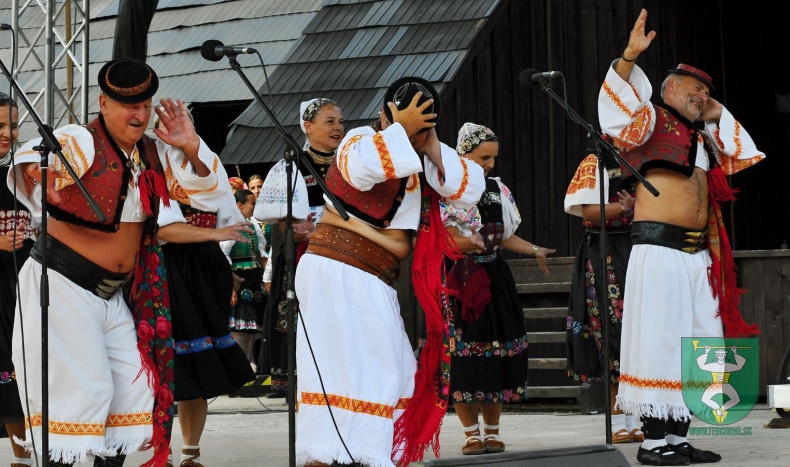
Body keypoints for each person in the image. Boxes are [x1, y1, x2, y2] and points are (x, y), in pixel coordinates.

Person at [7, 57, 212, 467]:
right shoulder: (82, 141)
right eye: (128, 106)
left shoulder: (153, 153)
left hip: (111, 294)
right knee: (82, 393)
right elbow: (32, 156)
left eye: (145, 106)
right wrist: (42, 177)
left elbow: (205, 194)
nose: (139, 115)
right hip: (62, 283)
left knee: (131, 388)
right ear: (103, 104)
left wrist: (190, 148)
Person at [598, 9, 765, 466]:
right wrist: (629, 57)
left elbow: (743, 153)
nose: (702, 97)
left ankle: (678, 438)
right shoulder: (649, 120)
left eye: (707, 92)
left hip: (696, 256)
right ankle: (653, 443)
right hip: (659, 249)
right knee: (661, 342)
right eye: (696, 90)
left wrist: (716, 111)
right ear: (671, 88)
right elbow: (614, 114)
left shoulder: (703, 136)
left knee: (698, 344)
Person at [292, 78, 485, 467]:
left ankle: (363, 456)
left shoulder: (420, 159)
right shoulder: (361, 140)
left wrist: (429, 144)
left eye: (423, 125)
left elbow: (469, 188)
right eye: (409, 125)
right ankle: (338, 457)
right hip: (336, 271)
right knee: (353, 377)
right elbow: (364, 170)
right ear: (386, 117)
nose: (415, 134)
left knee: (393, 374)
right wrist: (400, 130)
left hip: (371, 278)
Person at [441, 122, 553, 456]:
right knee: (465, 354)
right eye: (483, 157)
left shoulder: (495, 189)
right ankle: (470, 434)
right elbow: (437, 236)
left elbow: (505, 236)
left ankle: (492, 432)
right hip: (458, 278)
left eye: (492, 157)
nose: (489, 164)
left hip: (494, 275)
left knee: (498, 351)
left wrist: (534, 250)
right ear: (463, 154)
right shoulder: (446, 190)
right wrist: (465, 242)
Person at [152, 105, 256, 467]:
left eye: (185, 121)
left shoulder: (206, 160)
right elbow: (163, 229)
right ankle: (159, 453)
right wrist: (214, 235)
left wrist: (226, 269)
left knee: (199, 364)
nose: (177, 127)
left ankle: (191, 454)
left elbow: (219, 205)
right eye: (167, 121)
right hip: (169, 267)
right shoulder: (149, 164)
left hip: (207, 265)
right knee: (169, 367)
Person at [253, 98, 344, 399]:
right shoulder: (290, 167)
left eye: (340, 122)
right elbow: (282, 222)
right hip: (303, 255)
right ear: (308, 126)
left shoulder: (350, 164)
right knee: (299, 321)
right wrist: (303, 228)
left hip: (345, 256)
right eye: (329, 121)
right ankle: (300, 383)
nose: (338, 128)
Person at [563, 148, 642, 443]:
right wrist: (625, 209)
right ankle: (618, 417)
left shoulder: (643, 157)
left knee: (635, 332)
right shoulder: (596, 161)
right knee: (612, 330)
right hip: (604, 250)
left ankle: (633, 415)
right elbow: (589, 211)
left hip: (636, 247)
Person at [0, 93, 34, 467]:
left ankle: (22, 459)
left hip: (23, 274)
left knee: (21, 363)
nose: (8, 133)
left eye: (12, 125)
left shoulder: (24, 168)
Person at [221, 188, 268, 373]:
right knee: (239, 326)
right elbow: (224, 253)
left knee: (250, 327)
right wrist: (231, 287)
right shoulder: (231, 224)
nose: (254, 207)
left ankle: (250, 362)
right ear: (239, 205)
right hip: (238, 278)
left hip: (253, 278)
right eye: (252, 203)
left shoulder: (253, 224)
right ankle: (239, 366)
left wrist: (266, 277)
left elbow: (261, 251)